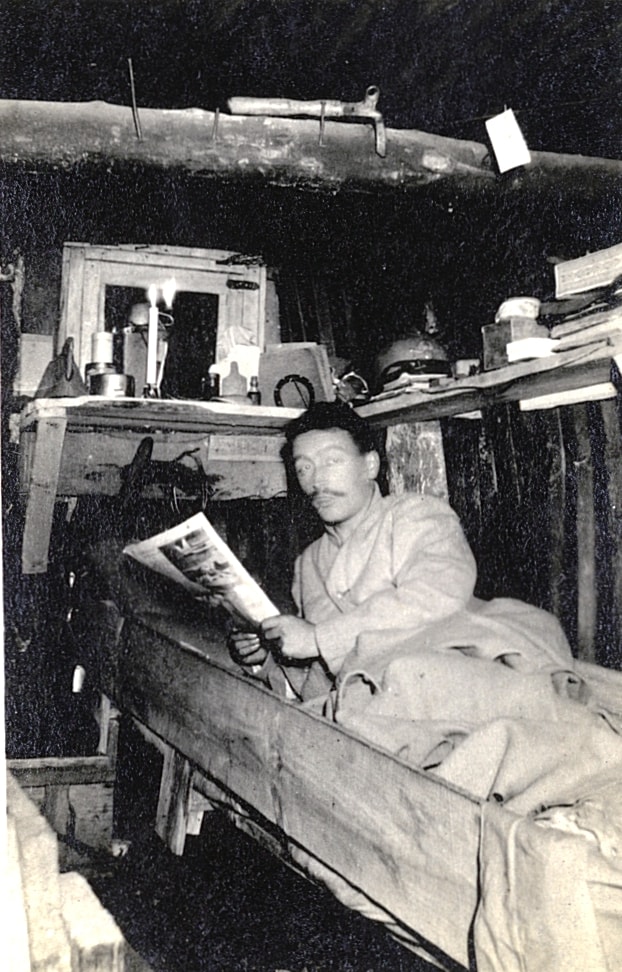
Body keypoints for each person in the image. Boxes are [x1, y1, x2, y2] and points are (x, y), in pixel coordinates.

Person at [230, 400, 480, 702]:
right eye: (304, 468)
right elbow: (318, 682)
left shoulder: (415, 516)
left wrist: (319, 639)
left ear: (370, 465)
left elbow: (439, 596)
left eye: (332, 461)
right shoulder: (308, 563)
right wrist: (262, 659)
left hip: (441, 697)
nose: (316, 481)